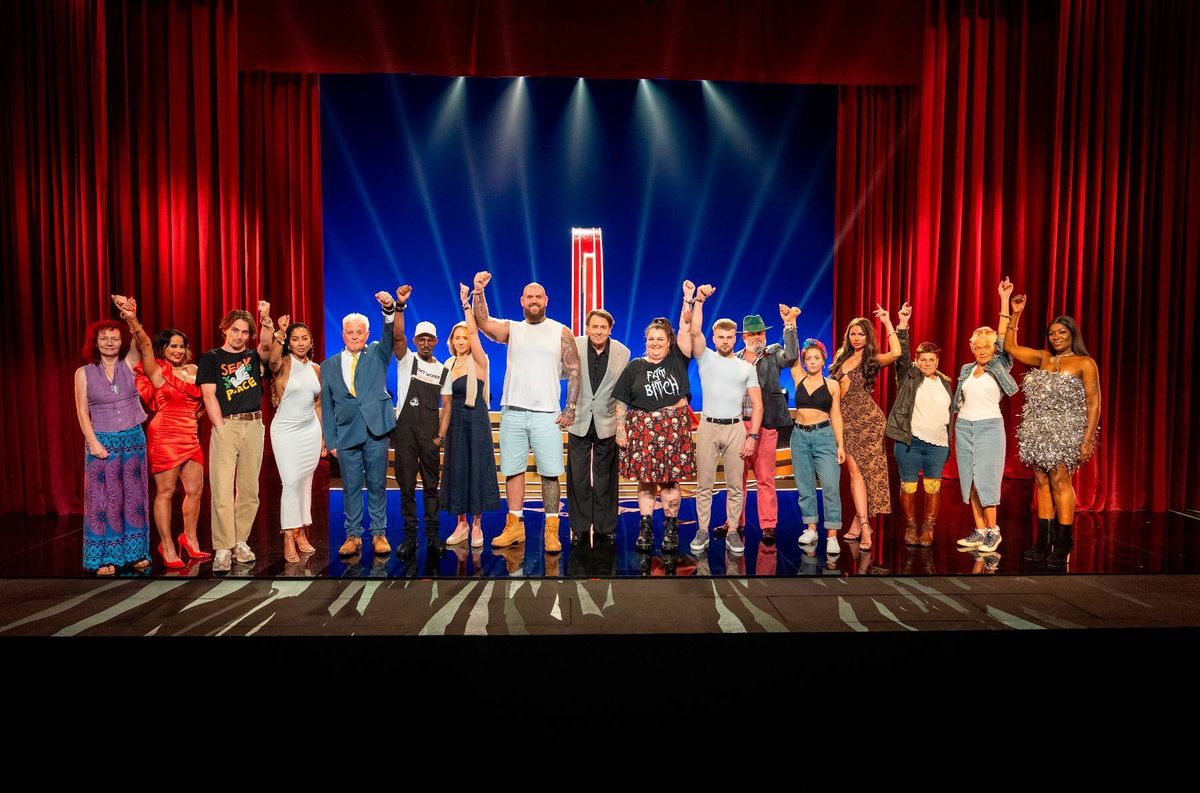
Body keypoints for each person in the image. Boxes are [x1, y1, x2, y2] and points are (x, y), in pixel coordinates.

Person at [471, 271, 581, 555]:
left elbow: (574, 370)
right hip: (513, 410)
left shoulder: (560, 331)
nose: (534, 300)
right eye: (529, 296)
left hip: (546, 413)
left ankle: (551, 528)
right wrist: (479, 292)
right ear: (522, 301)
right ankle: (515, 526)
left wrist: (570, 407)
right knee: (513, 470)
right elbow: (483, 322)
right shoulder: (513, 329)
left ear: (546, 300)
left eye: (538, 296)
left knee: (550, 473)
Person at [1005, 290, 1101, 569]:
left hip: (1066, 430)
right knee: (1041, 481)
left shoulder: (1084, 363)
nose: (1056, 336)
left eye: (1061, 332)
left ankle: (1064, 540)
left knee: (1060, 480)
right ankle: (1042, 541)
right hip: (1036, 429)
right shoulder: (1044, 358)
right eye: (1052, 333)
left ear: (1072, 334)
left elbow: (1094, 403)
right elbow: (1010, 347)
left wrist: (1086, 440)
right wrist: (1015, 314)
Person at [112, 295, 208, 568]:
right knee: (166, 491)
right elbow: (143, 344)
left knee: (195, 490)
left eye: (181, 346)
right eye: (172, 346)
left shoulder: (194, 369)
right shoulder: (156, 370)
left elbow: (207, 398)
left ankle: (190, 539)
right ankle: (167, 546)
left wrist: (198, 415)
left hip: (190, 435)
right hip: (165, 435)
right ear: (163, 348)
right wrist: (132, 319)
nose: (177, 350)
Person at [613, 281, 697, 554]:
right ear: (645, 340)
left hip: (673, 429)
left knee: (671, 482)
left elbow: (685, 326)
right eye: (651, 339)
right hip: (643, 431)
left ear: (669, 341)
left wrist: (687, 299)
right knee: (646, 482)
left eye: (660, 339)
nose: (655, 343)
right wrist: (620, 429)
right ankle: (646, 528)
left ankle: (671, 529)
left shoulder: (678, 359)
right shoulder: (635, 366)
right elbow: (621, 399)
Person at [320, 291, 401, 559]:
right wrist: (331, 440)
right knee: (351, 486)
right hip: (346, 435)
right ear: (343, 334)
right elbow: (327, 406)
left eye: (359, 332)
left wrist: (388, 310)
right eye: (350, 332)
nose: (355, 337)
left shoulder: (378, 353)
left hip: (375, 430)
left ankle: (379, 533)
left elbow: (389, 335)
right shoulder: (329, 366)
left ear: (367, 334)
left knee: (377, 484)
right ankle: (353, 535)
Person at [196, 303, 274, 573]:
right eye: (235, 330)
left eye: (244, 332)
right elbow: (208, 396)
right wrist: (219, 426)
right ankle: (223, 546)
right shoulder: (211, 358)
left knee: (249, 490)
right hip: (227, 425)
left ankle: (240, 541)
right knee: (221, 488)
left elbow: (267, 344)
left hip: (253, 425)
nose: (239, 336)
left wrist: (265, 318)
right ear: (225, 329)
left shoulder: (254, 357)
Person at [686, 284, 763, 556]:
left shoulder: (746, 368)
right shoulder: (705, 358)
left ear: (735, 338)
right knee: (704, 485)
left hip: (735, 429)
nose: (726, 341)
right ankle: (702, 530)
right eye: (721, 337)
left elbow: (758, 404)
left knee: (735, 486)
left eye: (730, 337)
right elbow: (694, 331)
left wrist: (752, 436)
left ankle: (732, 531)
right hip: (708, 426)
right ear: (714, 338)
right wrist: (699, 300)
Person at [74, 309, 151, 575]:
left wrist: (131, 317)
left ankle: (135, 553)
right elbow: (82, 411)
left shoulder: (129, 364)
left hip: (132, 439)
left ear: (121, 342)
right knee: (103, 501)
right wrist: (93, 442)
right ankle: (103, 558)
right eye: (104, 338)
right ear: (95, 343)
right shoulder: (83, 373)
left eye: (115, 338)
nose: (109, 343)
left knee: (134, 498)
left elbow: (142, 342)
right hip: (102, 440)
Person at [828, 305, 902, 552]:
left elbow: (896, 353)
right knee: (856, 473)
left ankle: (864, 525)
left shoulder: (872, 359)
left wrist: (888, 322)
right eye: (853, 334)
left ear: (868, 336)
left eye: (861, 334)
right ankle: (859, 522)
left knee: (862, 473)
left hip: (869, 421)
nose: (856, 338)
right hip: (845, 422)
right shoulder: (841, 358)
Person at [953, 279, 1017, 555]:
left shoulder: (1000, 364)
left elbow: (1002, 335)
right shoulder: (967, 370)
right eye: (978, 347)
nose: (982, 351)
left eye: (986, 347)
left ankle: (994, 532)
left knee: (986, 481)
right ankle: (980, 531)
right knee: (969, 480)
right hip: (964, 427)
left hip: (989, 428)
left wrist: (1004, 299)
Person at [884, 302, 954, 547]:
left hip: (938, 445)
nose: (927, 363)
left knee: (933, 487)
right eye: (922, 360)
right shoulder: (909, 376)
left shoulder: (945, 383)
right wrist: (903, 324)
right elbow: (901, 357)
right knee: (909, 486)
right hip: (910, 443)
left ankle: (928, 528)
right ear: (917, 361)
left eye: (931, 360)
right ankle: (911, 527)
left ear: (937, 361)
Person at [391, 285, 449, 559]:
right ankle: (410, 537)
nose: (425, 343)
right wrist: (400, 306)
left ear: (435, 342)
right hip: (404, 433)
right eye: (421, 339)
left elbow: (447, 406)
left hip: (429, 435)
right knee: (406, 487)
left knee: (431, 486)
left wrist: (440, 437)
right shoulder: (406, 360)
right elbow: (397, 335)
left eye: (430, 340)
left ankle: (434, 536)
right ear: (415, 341)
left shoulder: (443, 370)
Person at [440, 284, 501, 548]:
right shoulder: (447, 364)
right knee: (458, 469)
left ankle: (477, 525)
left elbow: (475, 332)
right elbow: (445, 402)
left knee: (476, 468)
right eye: (457, 337)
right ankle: (461, 523)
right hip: (456, 424)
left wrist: (466, 304)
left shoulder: (479, 360)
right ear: (452, 341)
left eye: (465, 337)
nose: (462, 341)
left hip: (476, 421)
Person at [735, 306, 800, 544]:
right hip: (738, 425)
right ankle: (735, 523)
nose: (758, 337)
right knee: (737, 479)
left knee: (765, 478)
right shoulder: (734, 359)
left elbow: (791, 356)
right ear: (744, 336)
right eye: (753, 334)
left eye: (761, 333)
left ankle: (769, 525)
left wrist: (789, 325)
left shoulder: (773, 354)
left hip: (766, 424)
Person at [566, 308, 631, 546]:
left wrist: (621, 426)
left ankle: (605, 526)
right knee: (578, 477)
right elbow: (563, 374)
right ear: (587, 328)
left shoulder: (623, 352)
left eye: (604, 327)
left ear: (610, 330)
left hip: (607, 421)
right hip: (579, 420)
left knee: (606, 477)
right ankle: (579, 527)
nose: (599, 331)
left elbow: (622, 391)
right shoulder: (574, 345)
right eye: (595, 326)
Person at [267, 313, 324, 564]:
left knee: (305, 483)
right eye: (295, 339)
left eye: (304, 338)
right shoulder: (282, 364)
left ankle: (300, 531)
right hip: (286, 430)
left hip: (310, 430)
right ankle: (288, 536)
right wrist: (279, 333)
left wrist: (323, 436)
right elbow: (271, 361)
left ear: (311, 341)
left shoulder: (316, 369)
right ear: (289, 343)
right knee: (290, 482)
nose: (300, 343)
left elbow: (318, 404)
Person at [788, 339, 847, 557]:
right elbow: (792, 350)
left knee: (830, 486)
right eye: (808, 358)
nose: (812, 361)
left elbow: (836, 416)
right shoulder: (798, 377)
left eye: (816, 358)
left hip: (824, 436)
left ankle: (832, 535)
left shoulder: (832, 385)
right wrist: (791, 325)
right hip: (799, 436)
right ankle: (811, 528)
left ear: (824, 360)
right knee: (805, 486)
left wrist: (840, 445)